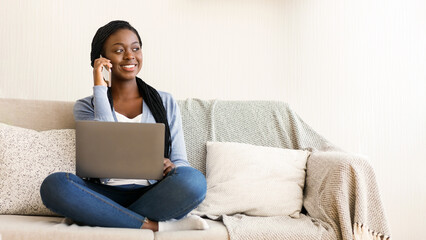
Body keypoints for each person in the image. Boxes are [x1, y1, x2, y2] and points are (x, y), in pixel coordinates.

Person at [40, 20, 208, 232]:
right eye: (119, 50)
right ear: (101, 59)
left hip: (154, 194)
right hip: (103, 193)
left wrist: (172, 168)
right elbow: (104, 147)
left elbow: (181, 161)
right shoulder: (85, 106)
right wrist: (100, 87)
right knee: (55, 185)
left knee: (193, 181)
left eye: (135, 48)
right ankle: (152, 225)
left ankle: (104, 215)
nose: (130, 56)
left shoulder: (165, 101)